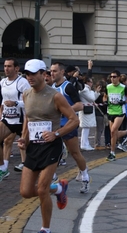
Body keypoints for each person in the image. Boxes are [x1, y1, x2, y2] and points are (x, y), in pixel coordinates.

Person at [18, 59, 79, 233]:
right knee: (26, 191)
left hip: (51, 146)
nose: (29, 77)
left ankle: (45, 228)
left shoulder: (55, 96)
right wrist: (24, 139)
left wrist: (56, 133)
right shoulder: (26, 94)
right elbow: (29, 119)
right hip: (34, 147)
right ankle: (59, 188)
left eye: (33, 74)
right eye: (27, 74)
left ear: (43, 74)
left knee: (42, 189)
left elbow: (74, 120)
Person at [50, 62, 91, 193]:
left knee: (75, 152)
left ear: (62, 72)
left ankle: (85, 177)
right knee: (50, 152)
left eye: (55, 71)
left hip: (68, 124)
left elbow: (80, 105)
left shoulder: (68, 87)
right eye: (51, 71)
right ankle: (52, 177)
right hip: (55, 125)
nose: (52, 73)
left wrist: (65, 111)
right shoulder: (51, 87)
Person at [0, 58, 30, 180]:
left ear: (16, 68)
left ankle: (49, 175)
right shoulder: (2, 82)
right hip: (8, 120)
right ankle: (3, 169)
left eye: (9, 66)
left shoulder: (22, 82)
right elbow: (3, 101)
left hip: (22, 120)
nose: (6, 68)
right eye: (5, 66)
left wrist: (15, 103)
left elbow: (29, 102)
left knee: (30, 148)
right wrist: (2, 115)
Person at [103, 70, 127, 161]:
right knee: (113, 134)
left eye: (114, 77)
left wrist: (123, 102)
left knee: (113, 131)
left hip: (120, 112)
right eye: (111, 77)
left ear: (119, 78)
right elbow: (105, 96)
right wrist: (105, 102)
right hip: (110, 111)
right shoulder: (108, 87)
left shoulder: (123, 87)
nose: (112, 78)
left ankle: (112, 153)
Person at [78, 76, 98, 151]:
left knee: (87, 127)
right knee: (85, 127)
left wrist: (96, 93)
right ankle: (84, 144)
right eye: (91, 82)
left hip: (87, 110)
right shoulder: (85, 90)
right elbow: (92, 98)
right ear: (87, 82)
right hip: (85, 110)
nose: (92, 83)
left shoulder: (87, 90)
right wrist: (94, 92)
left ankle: (85, 143)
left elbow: (92, 99)